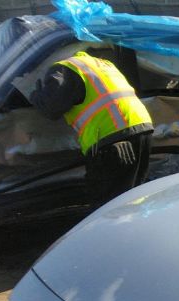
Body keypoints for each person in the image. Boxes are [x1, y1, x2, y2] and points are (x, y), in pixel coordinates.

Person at [30, 50, 154, 209]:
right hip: (141, 127)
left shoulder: (64, 68)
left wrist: (35, 95)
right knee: (132, 196)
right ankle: (131, 230)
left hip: (111, 136)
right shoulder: (103, 64)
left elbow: (51, 107)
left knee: (106, 204)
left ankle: (107, 233)